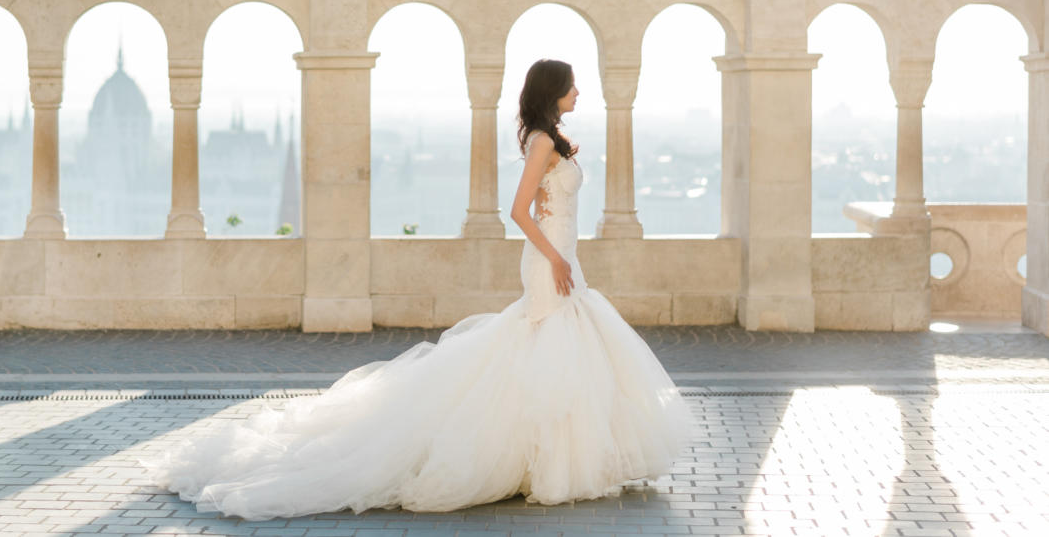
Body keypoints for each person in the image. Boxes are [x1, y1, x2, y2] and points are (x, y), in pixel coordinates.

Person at [147, 58, 693, 520]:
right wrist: (553, 258)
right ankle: (537, 457)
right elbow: (517, 211)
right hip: (549, 261)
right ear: (554, 92)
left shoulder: (552, 139)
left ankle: (557, 455)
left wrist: (562, 255)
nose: (580, 92)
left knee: (558, 349)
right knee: (546, 348)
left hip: (563, 259)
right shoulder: (544, 141)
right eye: (572, 84)